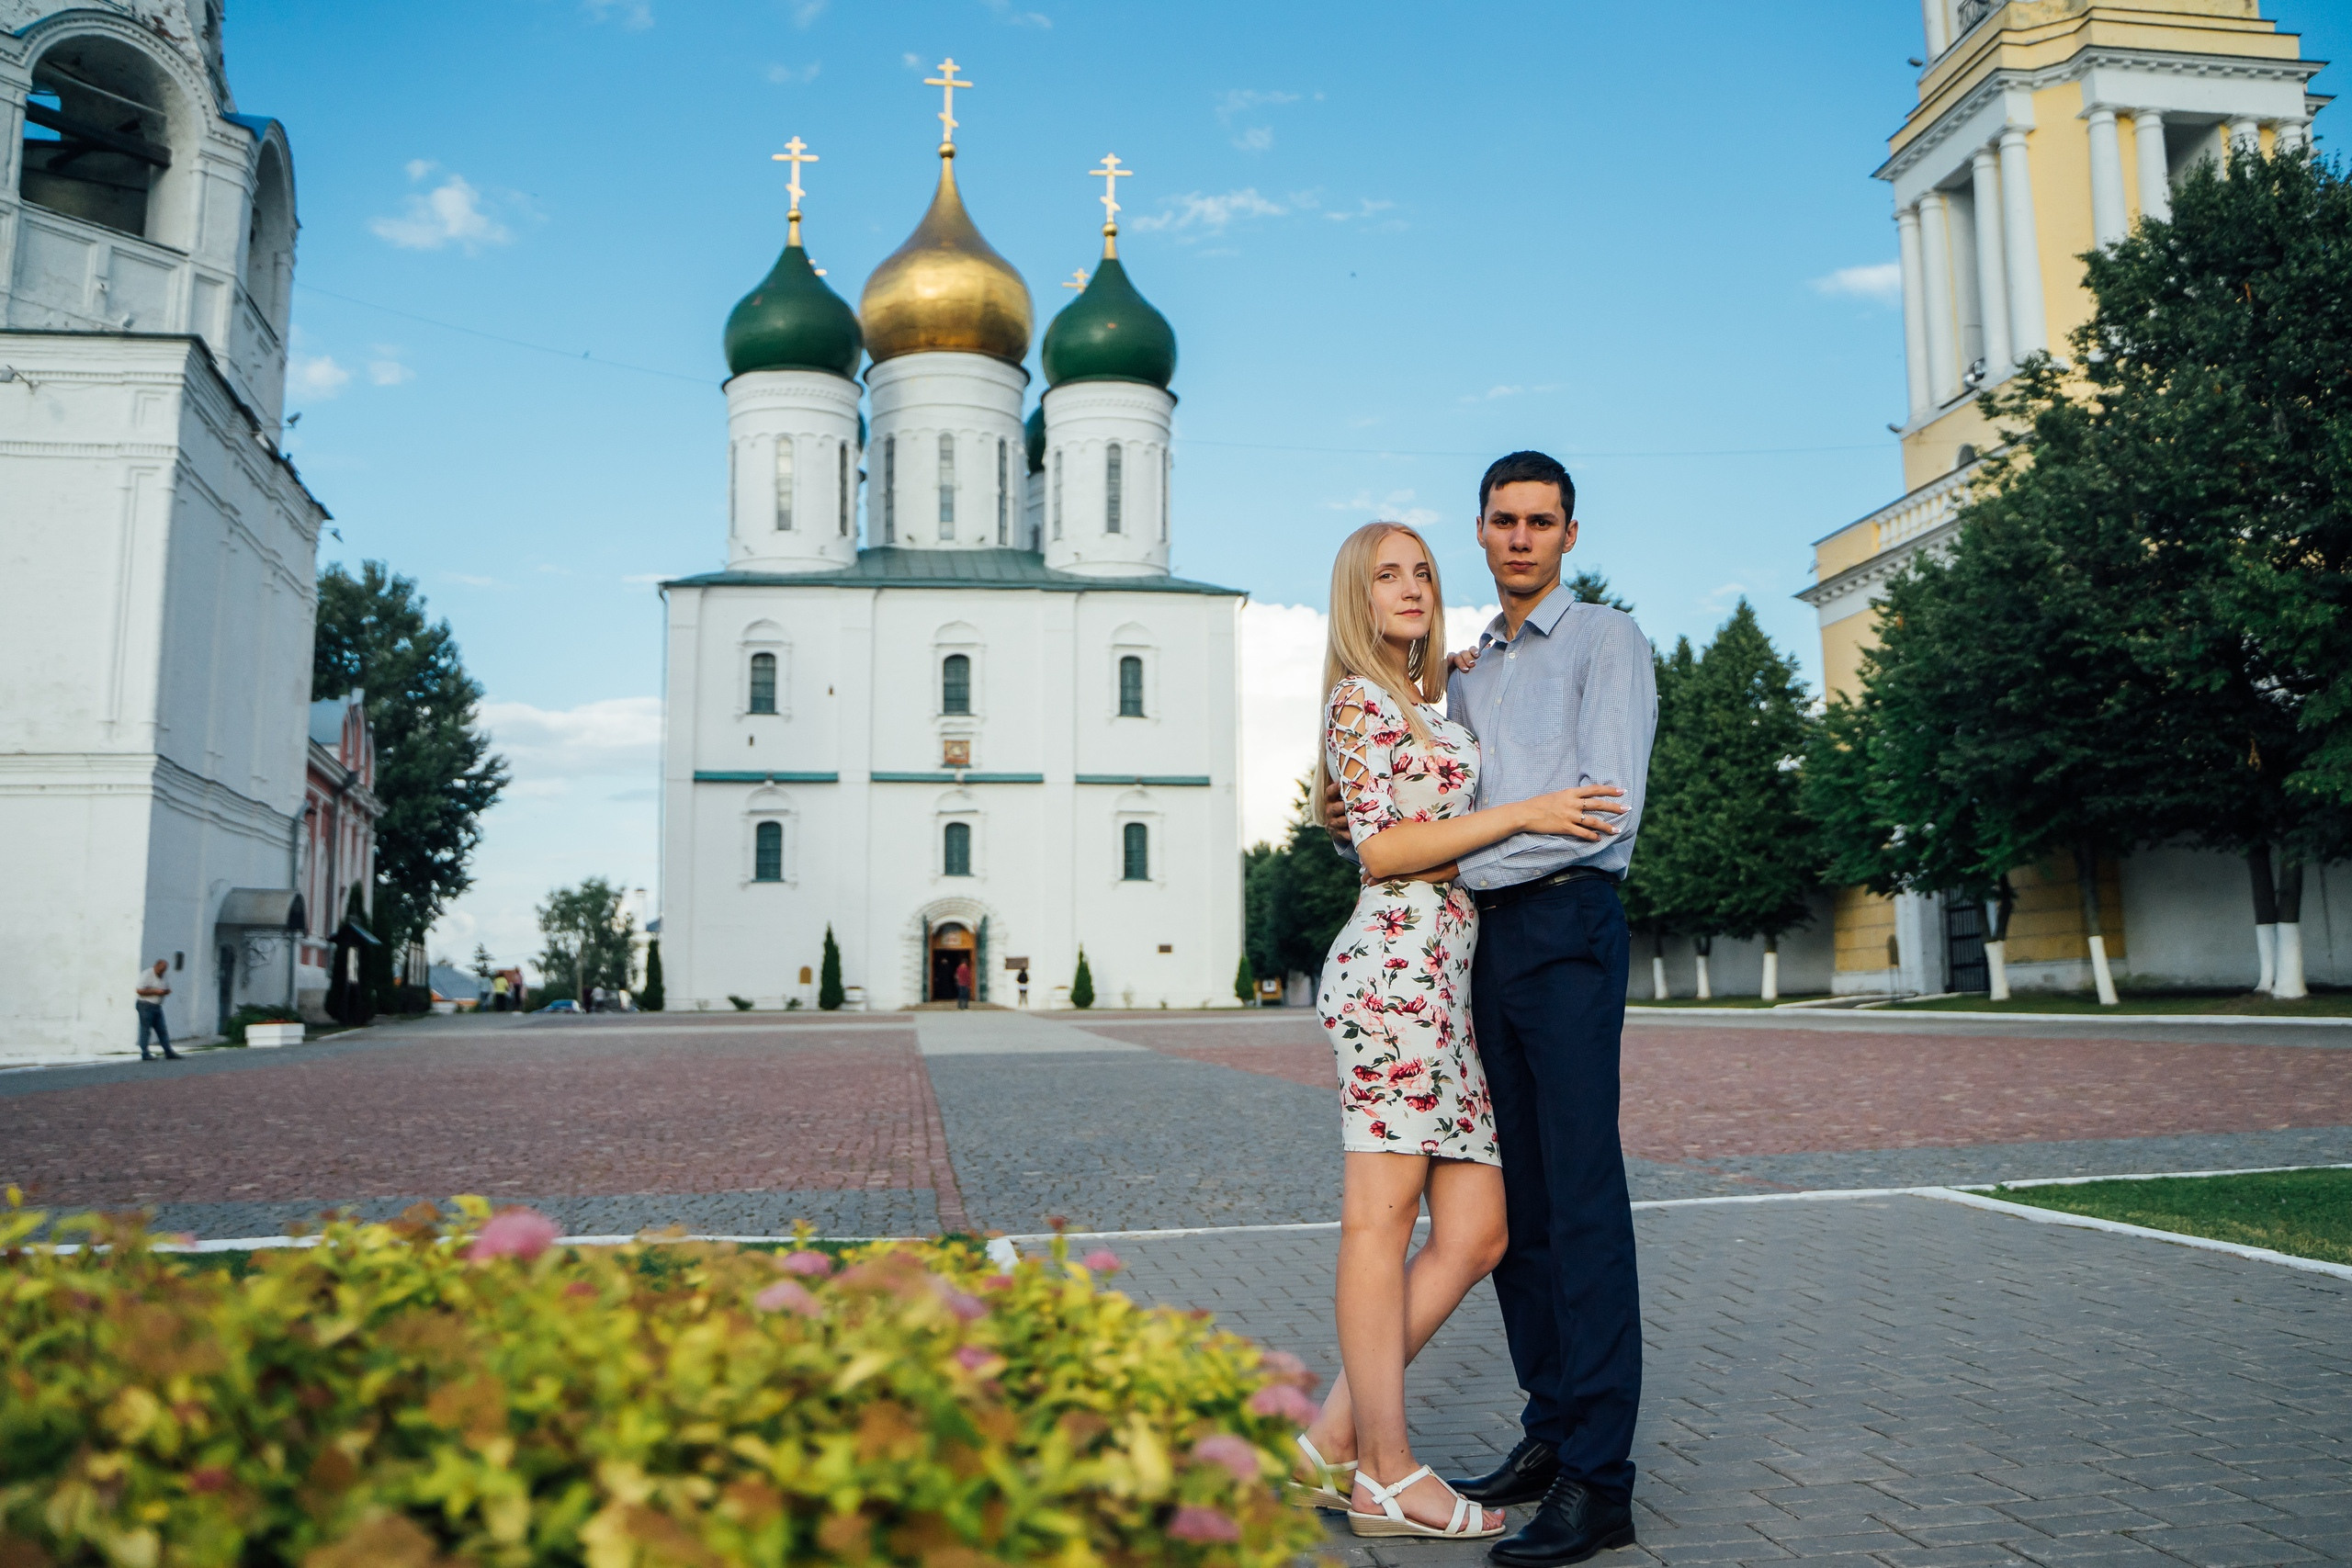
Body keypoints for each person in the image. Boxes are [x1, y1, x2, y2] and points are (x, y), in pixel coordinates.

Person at [1325, 452, 1657, 1564]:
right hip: (1471, 947)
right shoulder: (1460, 676)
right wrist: (1414, 842)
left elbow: (1600, 814)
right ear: (1481, 531)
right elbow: (1403, 804)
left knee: (1582, 1199)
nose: (1520, 538)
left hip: (1562, 930)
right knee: (1515, 1213)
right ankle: (1549, 1431)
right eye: (1503, 521)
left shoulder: (1606, 641)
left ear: (1569, 533)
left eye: (1540, 522)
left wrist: (1453, 857)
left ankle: (1597, 1479)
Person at [134, 959, 181, 1061]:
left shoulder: (164, 976)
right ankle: (145, 1053)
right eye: (160, 970)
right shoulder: (147, 974)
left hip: (157, 1006)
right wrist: (156, 992)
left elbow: (166, 987)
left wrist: (166, 991)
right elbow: (139, 990)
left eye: (164, 970)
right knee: (146, 1030)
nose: (162, 972)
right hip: (145, 1005)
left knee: (162, 1029)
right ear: (156, 966)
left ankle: (168, 1051)